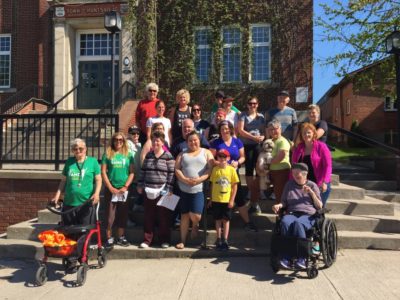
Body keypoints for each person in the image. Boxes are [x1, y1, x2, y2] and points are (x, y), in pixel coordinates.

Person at [51, 138, 101, 272]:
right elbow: (63, 181)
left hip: (86, 204)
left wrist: (96, 193)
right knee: (68, 232)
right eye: (75, 149)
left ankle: (82, 257)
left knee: (84, 232)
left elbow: (98, 179)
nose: (78, 151)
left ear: (85, 149)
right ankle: (71, 260)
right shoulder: (69, 162)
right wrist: (57, 196)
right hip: (69, 204)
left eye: (80, 148)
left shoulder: (93, 162)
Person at [272, 163, 322, 269]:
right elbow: (284, 202)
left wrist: (311, 193)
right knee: (285, 222)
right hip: (292, 213)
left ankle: (302, 258)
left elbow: (319, 206)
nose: (294, 175)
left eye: (297, 173)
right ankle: (286, 257)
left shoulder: (312, 185)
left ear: (305, 174)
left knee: (298, 224)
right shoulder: (289, 185)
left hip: (308, 214)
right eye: (293, 173)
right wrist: (279, 205)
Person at [210, 120, 257, 232]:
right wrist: (221, 164)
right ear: (219, 131)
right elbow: (211, 159)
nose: (225, 131)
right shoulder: (215, 143)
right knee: (220, 199)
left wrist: (238, 162)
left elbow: (243, 157)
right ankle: (219, 227)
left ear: (230, 129)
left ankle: (247, 222)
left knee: (239, 198)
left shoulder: (237, 141)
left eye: (226, 128)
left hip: (233, 173)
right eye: (222, 129)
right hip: (220, 175)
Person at [175, 131, 214, 249]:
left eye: (195, 140)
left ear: (199, 140)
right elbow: (177, 169)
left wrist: (200, 179)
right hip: (184, 188)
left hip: (199, 188)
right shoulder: (182, 154)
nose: (193, 142)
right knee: (184, 215)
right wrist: (185, 179)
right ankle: (182, 241)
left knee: (196, 215)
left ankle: (195, 225)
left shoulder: (206, 152)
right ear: (187, 142)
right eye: (190, 140)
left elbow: (210, 168)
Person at [138, 131, 175, 249]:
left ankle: (165, 240)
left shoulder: (168, 156)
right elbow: (143, 171)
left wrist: (169, 189)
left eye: (158, 140)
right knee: (148, 216)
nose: (155, 142)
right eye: (153, 140)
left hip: (164, 190)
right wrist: (140, 185)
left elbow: (171, 173)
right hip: (148, 190)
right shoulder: (148, 155)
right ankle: (147, 240)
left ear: (162, 142)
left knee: (164, 217)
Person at [101, 132, 134, 248]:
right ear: (113, 141)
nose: (118, 142)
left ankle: (120, 237)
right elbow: (103, 172)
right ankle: (109, 238)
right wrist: (110, 187)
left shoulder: (128, 155)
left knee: (123, 214)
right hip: (111, 189)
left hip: (123, 190)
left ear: (124, 141)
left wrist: (125, 186)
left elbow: (132, 173)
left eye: (121, 140)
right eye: (116, 139)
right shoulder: (108, 154)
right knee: (110, 216)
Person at [237, 97, 266, 214]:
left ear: (257, 105)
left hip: (258, 146)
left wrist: (263, 137)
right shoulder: (243, 115)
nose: (252, 105)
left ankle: (259, 190)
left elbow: (264, 131)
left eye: (254, 103)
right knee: (249, 169)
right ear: (247, 105)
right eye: (250, 103)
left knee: (259, 168)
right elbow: (240, 130)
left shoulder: (261, 117)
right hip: (247, 145)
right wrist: (253, 137)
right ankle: (250, 190)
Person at [292, 123, 332, 206]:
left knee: (319, 208)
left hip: (320, 183)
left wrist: (325, 182)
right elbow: (294, 166)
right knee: (307, 208)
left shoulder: (322, 146)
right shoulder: (299, 147)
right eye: (304, 133)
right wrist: (291, 181)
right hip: (304, 184)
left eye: (308, 132)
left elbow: (328, 166)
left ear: (314, 133)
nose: (306, 135)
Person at [208, 149, 239, 251]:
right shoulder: (215, 169)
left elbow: (234, 186)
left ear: (228, 158)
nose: (222, 159)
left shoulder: (231, 170)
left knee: (226, 220)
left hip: (226, 199)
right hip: (216, 199)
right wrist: (211, 199)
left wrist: (232, 200)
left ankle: (225, 239)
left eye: (224, 157)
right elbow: (212, 185)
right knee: (217, 219)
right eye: (220, 156)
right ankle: (218, 238)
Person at [267, 120, 291, 204]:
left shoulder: (282, 141)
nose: (273, 131)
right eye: (270, 129)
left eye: (275, 129)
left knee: (280, 194)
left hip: (281, 171)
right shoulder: (271, 141)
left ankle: (281, 214)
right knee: (255, 185)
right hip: (272, 171)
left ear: (280, 129)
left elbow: (281, 157)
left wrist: (267, 162)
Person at [127, 126, 144, 213]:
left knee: (135, 197)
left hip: (137, 176)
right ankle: (127, 219)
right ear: (129, 134)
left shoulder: (138, 145)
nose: (136, 135)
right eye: (133, 133)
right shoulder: (127, 145)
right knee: (128, 199)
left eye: (137, 133)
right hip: (130, 176)